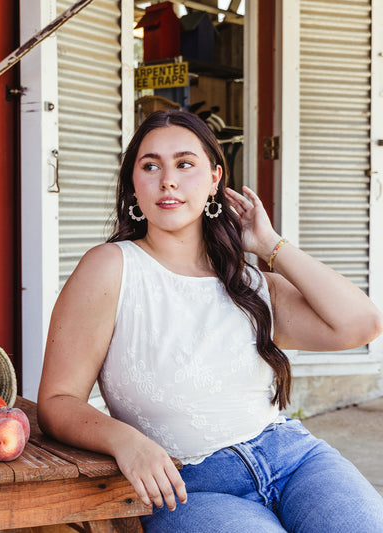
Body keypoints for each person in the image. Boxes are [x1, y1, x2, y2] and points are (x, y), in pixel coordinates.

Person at [37, 110, 383, 532]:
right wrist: (125, 441)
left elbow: (361, 324)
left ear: (215, 178)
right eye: (150, 166)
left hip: (295, 460)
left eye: (185, 164)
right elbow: (57, 400)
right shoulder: (110, 267)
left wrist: (270, 244)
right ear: (133, 183)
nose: (168, 180)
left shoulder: (250, 283)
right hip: (189, 485)